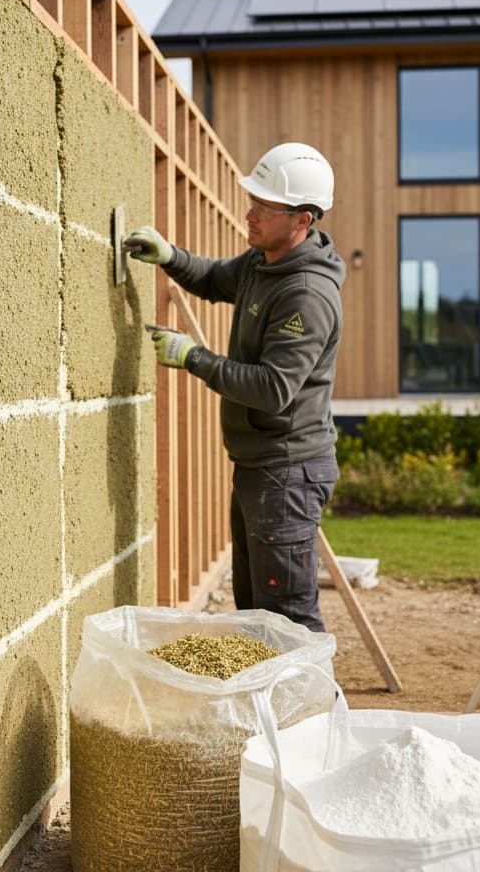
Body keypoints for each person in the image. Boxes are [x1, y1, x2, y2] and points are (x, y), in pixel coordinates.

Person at [124, 142, 345, 633]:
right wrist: (169, 256)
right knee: (256, 616)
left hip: (287, 474)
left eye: (264, 207)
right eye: (254, 202)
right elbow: (216, 278)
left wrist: (193, 358)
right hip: (261, 467)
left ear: (303, 219)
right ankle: (271, 709)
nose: (251, 214)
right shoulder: (263, 261)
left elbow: (272, 388)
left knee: (288, 620)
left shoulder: (305, 294)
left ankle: (314, 710)